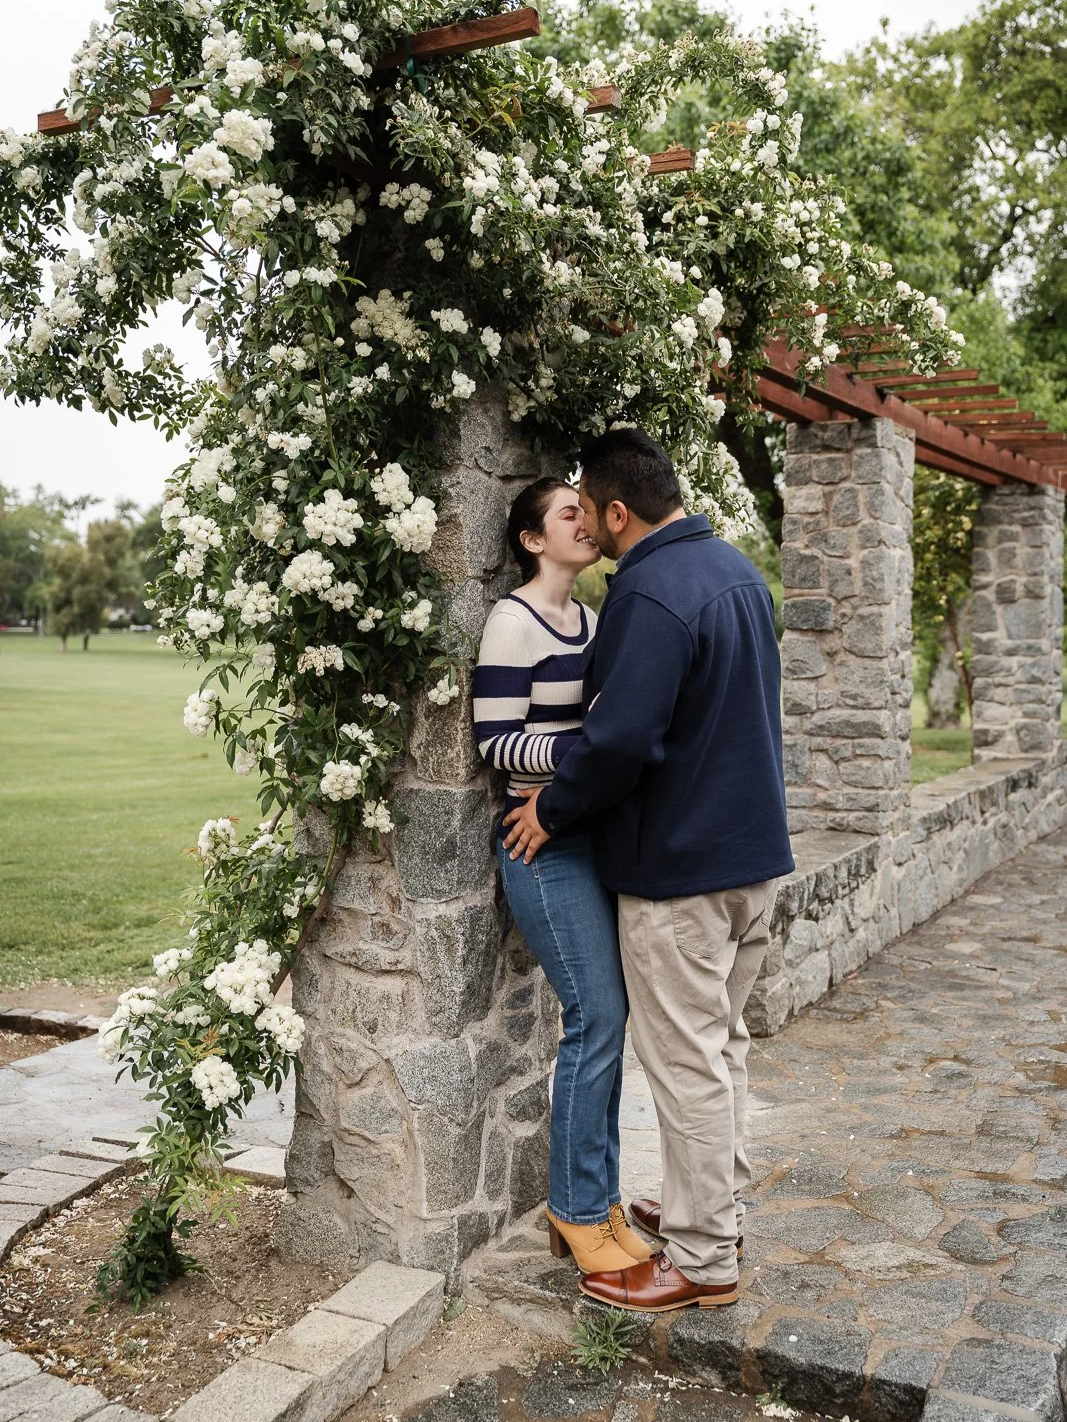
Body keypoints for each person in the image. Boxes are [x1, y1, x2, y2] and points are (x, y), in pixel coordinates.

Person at [503, 429, 795, 1313]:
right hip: (754, 864)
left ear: (618, 511)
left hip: (683, 874)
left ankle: (704, 1260)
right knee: (723, 1048)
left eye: (587, 509)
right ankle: (712, 1207)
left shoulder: (648, 593)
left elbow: (621, 738)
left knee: (685, 1066)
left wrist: (548, 809)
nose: (585, 526)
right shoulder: (737, 572)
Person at [472, 476, 652, 1275]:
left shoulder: (590, 619)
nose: (586, 523)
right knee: (596, 1020)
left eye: (586, 510)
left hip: (593, 834)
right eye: (567, 514)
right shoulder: (511, 623)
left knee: (609, 1026)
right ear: (532, 540)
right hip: (540, 846)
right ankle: (577, 1211)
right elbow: (496, 743)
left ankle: (600, 1200)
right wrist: (591, 753)